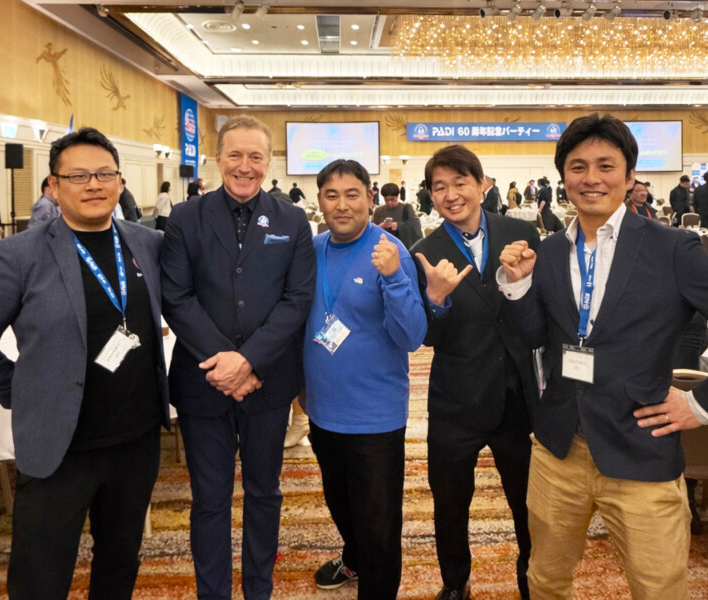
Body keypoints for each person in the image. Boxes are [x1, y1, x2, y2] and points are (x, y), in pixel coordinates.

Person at [497, 113, 708, 599]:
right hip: (558, 449)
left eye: (605, 165)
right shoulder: (550, 251)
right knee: (545, 580)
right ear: (563, 177)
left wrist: (701, 405)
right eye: (578, 167)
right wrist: (518, 288)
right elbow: (537, 337)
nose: (591, 178)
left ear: (630, 175)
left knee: (658, 589)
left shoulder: (672, 249)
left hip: (640, 448)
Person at [0, 127, 169, 599]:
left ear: (120, 183)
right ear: (54, 186)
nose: (93, 184)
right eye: (78, 176)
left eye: (104, 174)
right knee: (41, 575)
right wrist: (27, 393)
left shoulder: (148, 243)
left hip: (136, 440)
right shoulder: (18, 254)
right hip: (60, 446)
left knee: (120, 560)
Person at [160, 114, 316, 600]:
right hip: (202, 382)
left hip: (267, 382)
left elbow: (297, 299)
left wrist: (248, 362)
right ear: (218, 158)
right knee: (209, 499)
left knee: (265, 493)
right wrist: (227, 363)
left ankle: (258, 590)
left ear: (269, 163)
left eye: (255, 157)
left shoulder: (292, 220)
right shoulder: (185, 217)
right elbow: (176, 297)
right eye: (235, 155)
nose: (244, 166)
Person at [411, 144, 540, 600]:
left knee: (529, 503)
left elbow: (540, 306)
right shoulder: (424, 252)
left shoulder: (520, 232)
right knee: (450, 503)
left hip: (515, 395)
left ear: (482, 185)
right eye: (439, 187)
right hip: (456, 398)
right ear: (430, 195)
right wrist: (436, 300)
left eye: (460, 182)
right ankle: (455, 582)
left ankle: (532, 578)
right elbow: (425, 336)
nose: (451, 195)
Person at [305, 159, 426, 599]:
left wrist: (393, 277)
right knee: (340, 503)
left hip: (374, 417)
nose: (342, 205)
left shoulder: (391, 252)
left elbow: (412, 337)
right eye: (331, 195)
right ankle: (352, 557)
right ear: (320, 201)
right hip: (322, 408)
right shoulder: (311, 249)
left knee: (378, 525)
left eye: (352, 194)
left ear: (370, 199)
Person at [372, 182, 423, 250]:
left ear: (398, 196)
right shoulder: (379, 211)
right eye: (386, 200)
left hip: (403, 247)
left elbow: (416, 225)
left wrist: (398, 225)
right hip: (384, 247)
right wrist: (380, 227)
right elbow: (372, 230)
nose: (389, 202)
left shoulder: (406, 208)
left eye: (392, 199)